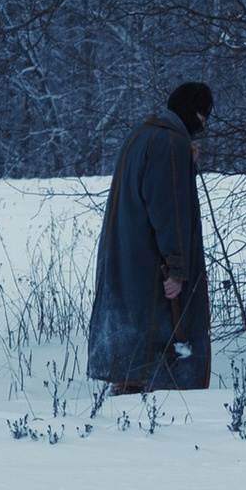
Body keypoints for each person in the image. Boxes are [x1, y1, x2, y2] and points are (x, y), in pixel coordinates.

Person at [86, 81, 214, 392]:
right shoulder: (169, 144)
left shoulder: (142, 134)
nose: (204, 126)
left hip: (129, 261)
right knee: (156, 367)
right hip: (152, 270)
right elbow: (169, 209)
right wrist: (176, 268)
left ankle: (129, 401)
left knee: (132, 362)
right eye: (203, 117)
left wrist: (186, 161)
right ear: (192, 114)